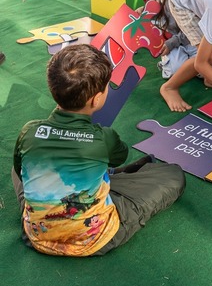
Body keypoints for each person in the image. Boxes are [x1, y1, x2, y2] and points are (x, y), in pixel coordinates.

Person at [12, 44, 185, 256]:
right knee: (172, 174)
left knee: (21, 166)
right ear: (96, 99)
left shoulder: (29, 131)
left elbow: (19, 169)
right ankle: (109, 183)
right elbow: (119, 157)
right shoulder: (104, 137)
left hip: (37, 236)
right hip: (96, 238)